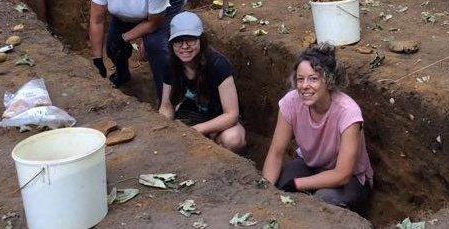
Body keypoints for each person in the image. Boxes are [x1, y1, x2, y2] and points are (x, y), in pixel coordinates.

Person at [262, 44, 373, 212]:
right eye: (300, 79)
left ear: (328, 81)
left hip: (351, 179)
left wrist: (297, 184)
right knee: (277, 183)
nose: (304, 86)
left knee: (324, 199)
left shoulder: (348, 113)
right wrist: (266, 192)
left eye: (313, 79)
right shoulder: (291, 102)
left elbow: (342, 174)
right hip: (310, 165)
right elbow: (276, 153)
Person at [158, 11, 245, 153]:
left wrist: (197, 130)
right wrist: (165, 127)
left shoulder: (219, 65)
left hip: (220, 122)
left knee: (234, 139)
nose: (184, 46)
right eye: (178, 41)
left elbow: (231, 114)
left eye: (190, 40)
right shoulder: (171, 65)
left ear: (201, 40)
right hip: (188, 118)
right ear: (171, 44)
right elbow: (166, 105)